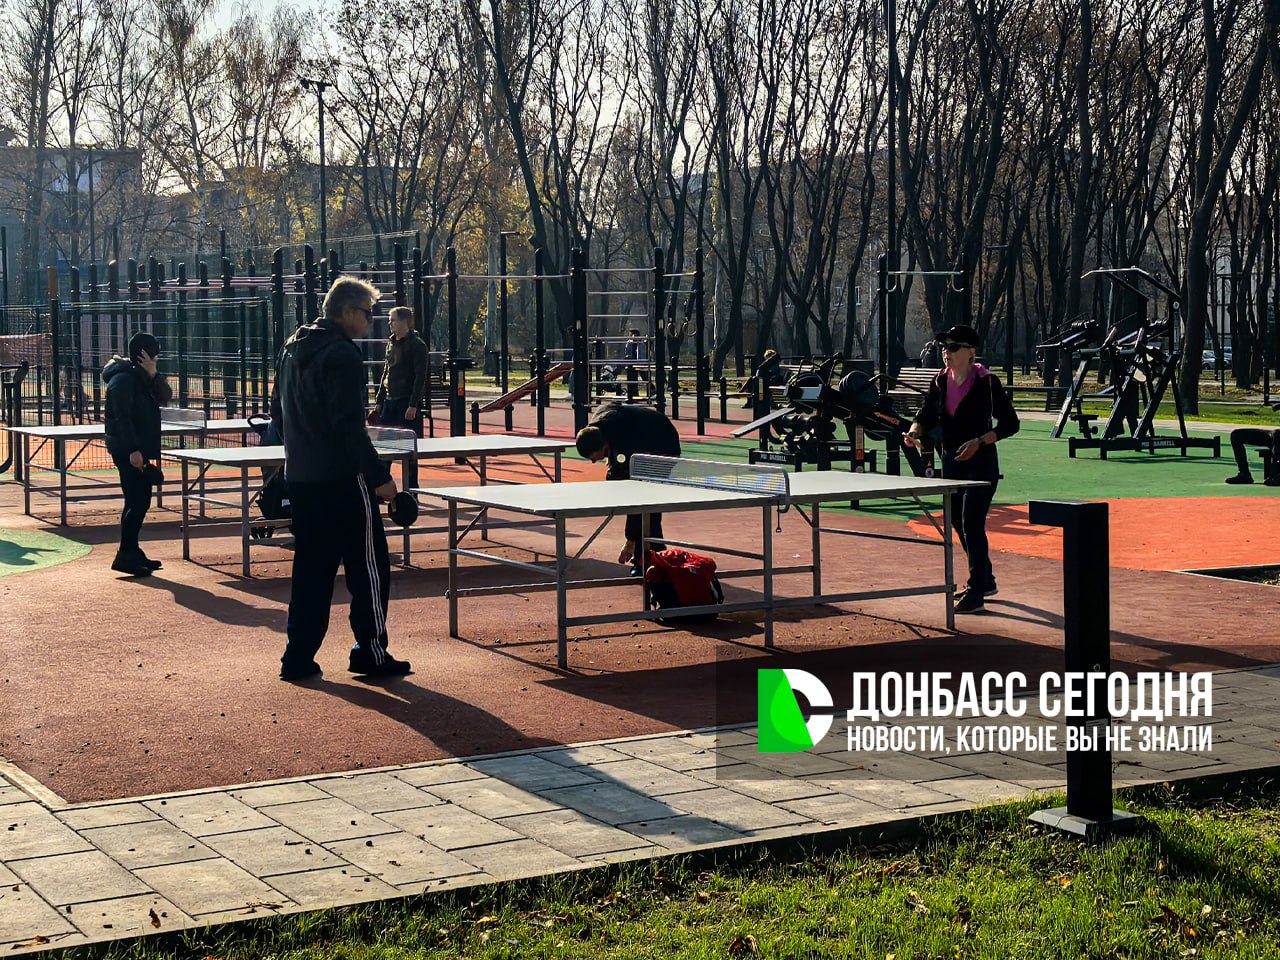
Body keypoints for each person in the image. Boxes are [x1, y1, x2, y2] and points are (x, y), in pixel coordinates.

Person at [273, 276, 410, 682]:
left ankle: (297, 656)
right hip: (340, 479)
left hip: (301, 476)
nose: (370, 323)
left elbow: (280, 418)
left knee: (311, 570)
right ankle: (370, 652)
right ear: (348, 312)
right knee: (369, 567)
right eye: (367, 314)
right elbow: (349, 429)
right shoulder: (343, 356)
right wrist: (380, 477)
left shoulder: (292, 348)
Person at [904, 324, 1019, 614]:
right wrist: (914, 431)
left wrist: (980, 442)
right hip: (951, 462)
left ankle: (976, 590)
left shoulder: (987, 382)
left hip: (981, 463)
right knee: (956, 520)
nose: (947, 352)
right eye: (945, 347)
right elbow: (927, 413)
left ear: (970, 352)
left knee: (971, 523)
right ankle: (986, 579)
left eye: (954, 347)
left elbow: (1010, 423)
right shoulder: (940, 381)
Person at [575, 401, 681, 573]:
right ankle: (655, 554)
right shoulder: (597, 428)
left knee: (646, 500)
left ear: (605, 445)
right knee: (633, 493)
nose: (594, 462)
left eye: (595, 457)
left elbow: (632, 496)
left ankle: (647, 559)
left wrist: (630, 539)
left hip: (663, 444)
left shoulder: (626, 440)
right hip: (642, 437)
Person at [103, 332, 172, 577]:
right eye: (154, 355)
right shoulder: (122, 380)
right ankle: (125, 554)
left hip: (139, 448)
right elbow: (120, 419)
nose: (157, 358)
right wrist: (133, 449)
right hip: (127, 450)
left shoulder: (143, 378)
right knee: (137, 501)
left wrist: (154, 374)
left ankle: (131, 550)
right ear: (143, 355)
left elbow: (166, 396)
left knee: (138, 500)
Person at [374, 305, 429, 488]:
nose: (390, 323)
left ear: (405, 321)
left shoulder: (417, 345)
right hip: (390, 402)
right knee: (384, 447)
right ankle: (383, 485)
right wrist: (379, 400)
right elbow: (386, 372)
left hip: (405, 401)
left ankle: (411, 487)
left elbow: (420, 376)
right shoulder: (391, 342)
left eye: (393, 319)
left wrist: (413, 404)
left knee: (408, 448)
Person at [622, 328, 647, 397]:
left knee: (645, 377)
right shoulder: (629, 343)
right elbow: (627, 352)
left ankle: (652, 389)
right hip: (632, 362)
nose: (633, 336)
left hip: (640, 363)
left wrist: (641, 363)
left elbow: (642, 354)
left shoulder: (641, 343)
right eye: (632, 335)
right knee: (633, 377)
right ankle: (633, 392)